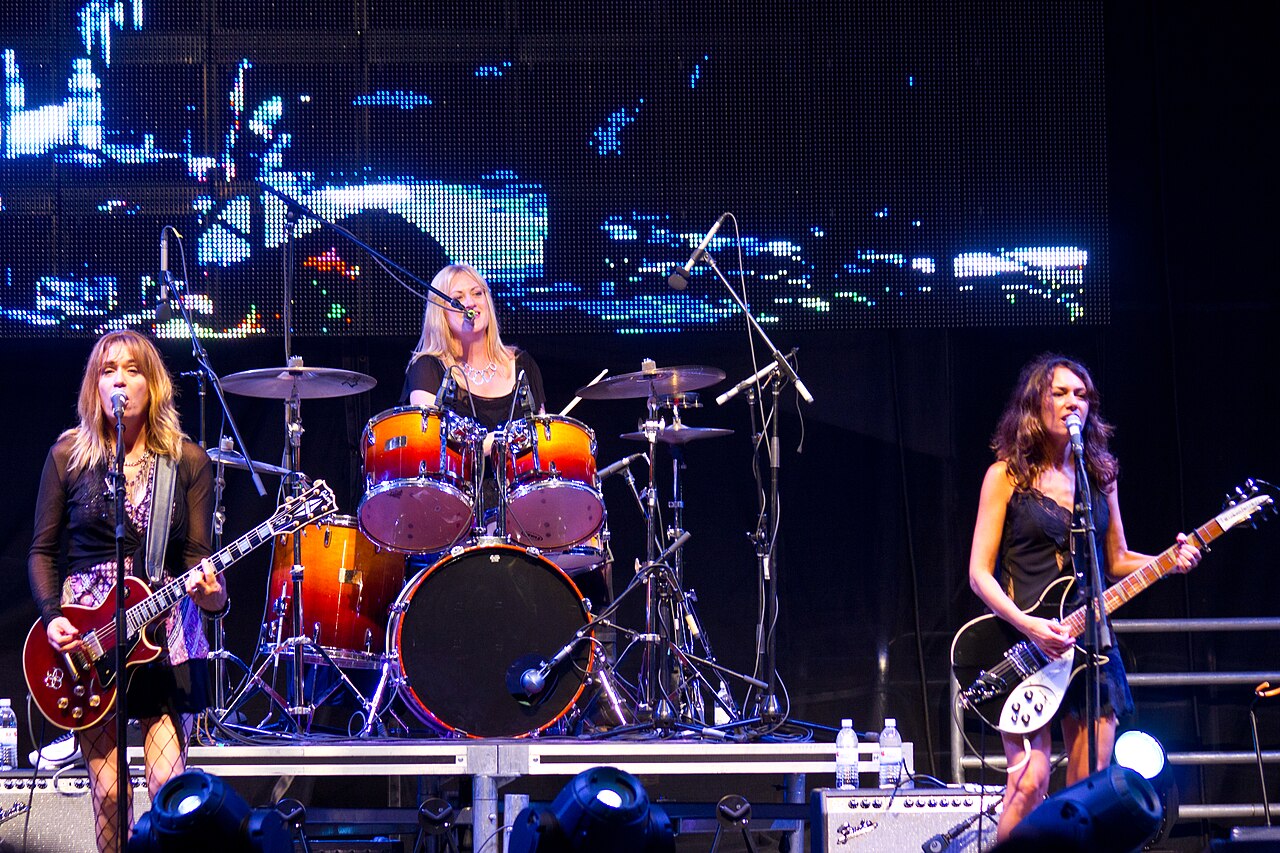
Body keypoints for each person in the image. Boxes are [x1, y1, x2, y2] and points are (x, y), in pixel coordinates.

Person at [967, 353, 1200, 842]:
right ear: (1036, 402)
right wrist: (1030, 626)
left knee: (1088, 795)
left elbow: (1117, 559)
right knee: (1029, 785)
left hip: (1091, 642)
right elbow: (978, 575)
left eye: (1082, 394)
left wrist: (1169, 560)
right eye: (1060, 392)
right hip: (1026, 644)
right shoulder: (1006, 476)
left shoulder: (1100, 474)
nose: (1074, 402)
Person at [28, 330, 225, 852]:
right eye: (108, 369)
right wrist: (52, 617)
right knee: (111, 794)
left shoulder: (187, 461)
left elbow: (198, 564)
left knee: (166, 789)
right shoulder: (68, 454)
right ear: (95, 386)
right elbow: (42, 551)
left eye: (133, 368)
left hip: (163, 636)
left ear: (153, 384)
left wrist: (211, 596)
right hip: (90, 643)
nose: (120, 378)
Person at [402, 263, 545, 431]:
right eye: (458, 299)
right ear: (439, 312)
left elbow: (539, 438)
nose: (470, 303)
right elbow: (430, 440)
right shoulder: (427, 367)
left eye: (477, 293)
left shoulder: (522, 364)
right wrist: (498, 442)